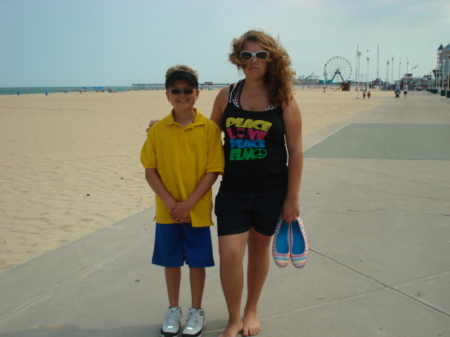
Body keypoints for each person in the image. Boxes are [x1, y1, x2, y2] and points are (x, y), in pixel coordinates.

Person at [210, 30, 303, 337]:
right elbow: (206, 138)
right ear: (239, 59)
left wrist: (292, 198)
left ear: (271, 59)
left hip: (271, 191)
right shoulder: (227, 96)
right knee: (229, 255)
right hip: (233, 190)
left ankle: (251, 310)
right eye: (247, 55)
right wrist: (166, 128)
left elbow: (296, 150)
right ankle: (234, 318)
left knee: (259, 250)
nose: (254, 61)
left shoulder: (284, 99)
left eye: (261, 55)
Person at [140, 65, 225, 337]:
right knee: (171, 261)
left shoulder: (209, 129)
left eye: (187, 90)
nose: (182, 94)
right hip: (167, 211)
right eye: (175, 90)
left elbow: (213, 170)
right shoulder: (158, 130)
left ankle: (196, 310)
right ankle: (173, 308)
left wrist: (188, 204)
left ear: (197, 94)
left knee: (198, 262)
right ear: (167, 94)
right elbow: (150, 170)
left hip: (197, 210)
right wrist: (170, 202)